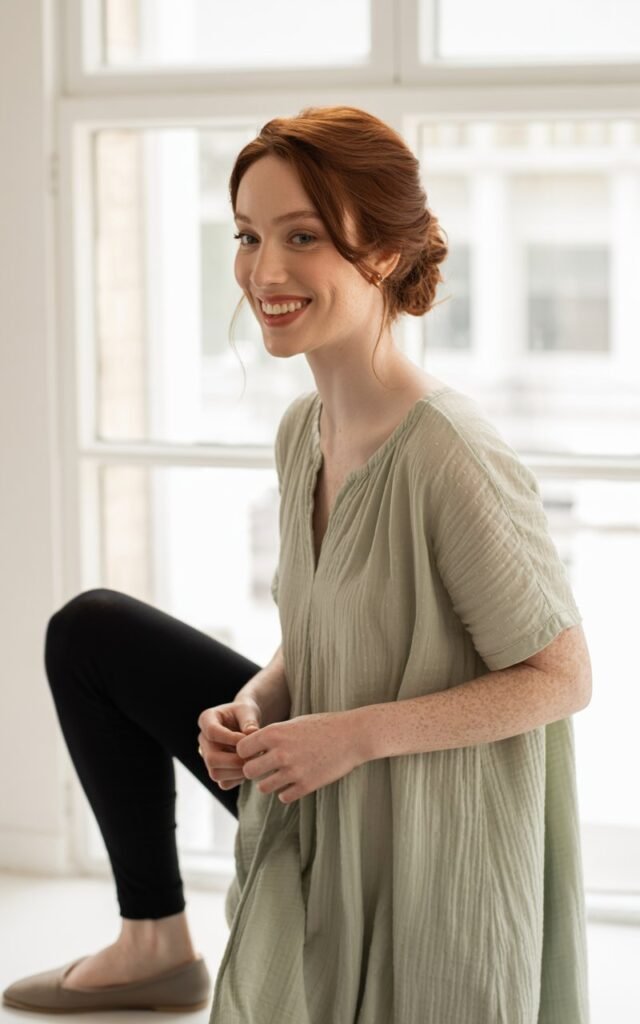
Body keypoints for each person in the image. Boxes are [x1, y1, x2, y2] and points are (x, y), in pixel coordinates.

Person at [3, 105, 592, 1023]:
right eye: (247, 235)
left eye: (303, 236)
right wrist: (263, 702)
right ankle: (152, 943)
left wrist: (349, 735)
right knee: (92, 631)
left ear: (385, 256)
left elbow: (561, 678)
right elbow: (323, 628)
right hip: (328, 777)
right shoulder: (303, 432)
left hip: (422, 821)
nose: (263, 272)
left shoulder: (449, 454)